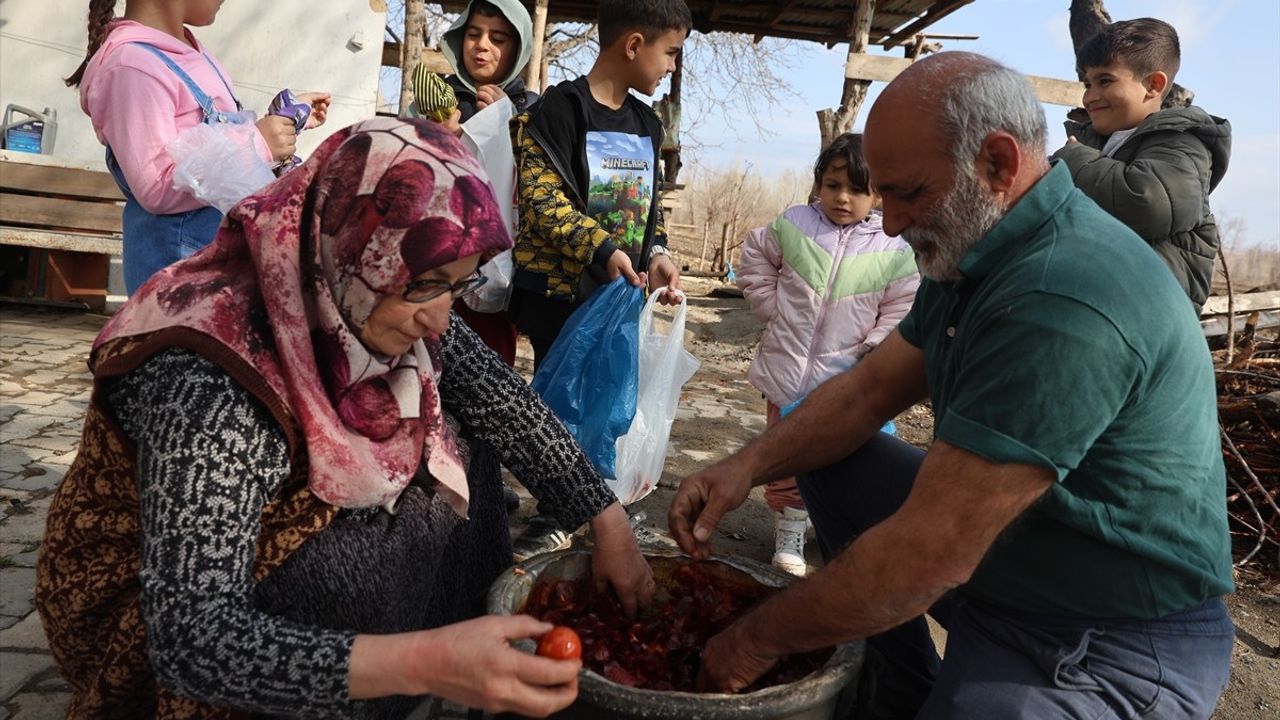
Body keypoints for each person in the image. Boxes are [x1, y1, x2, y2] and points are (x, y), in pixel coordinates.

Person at [669, 52, 1234, 719]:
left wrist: (751, 641)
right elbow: (864, 393)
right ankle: (896, 686)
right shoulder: (980, 249)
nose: (891, 223)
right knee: (826, 447)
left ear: (997, 164)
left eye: (907, 193)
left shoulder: (1063, 295)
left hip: (1106, 634)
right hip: (1014, 560)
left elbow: (929, 552)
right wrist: (747, 465)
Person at [35, 118, 655, 720]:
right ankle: (397, 670)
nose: (441, 318)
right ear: (351, 244)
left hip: (275, 575)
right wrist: (426, 663)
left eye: (457, 286)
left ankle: (430, 650)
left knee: (461, 436)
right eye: (426, 287)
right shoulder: (210, 369)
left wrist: (606, 522)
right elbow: (194, 637)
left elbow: (505, 404)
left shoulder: (375, 288)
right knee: (358, 561)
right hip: (150, 624)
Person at [506, 0, 691, 558]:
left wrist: (655, 253)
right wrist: (605, 248)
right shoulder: (558, 111)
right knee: (561, 404)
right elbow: (542, 201)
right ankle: (557, 513)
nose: (673, 67)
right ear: (634, 45)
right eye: (671, 52)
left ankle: (590, 503)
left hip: (621, 295)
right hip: (560, 296)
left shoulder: (647, 125)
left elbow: (650, 211)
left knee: (608, 408)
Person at [736, 133, 918, 576]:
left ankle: (842, 531)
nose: (843, 197)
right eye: (833, 185)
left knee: (848, 461)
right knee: (785, 463)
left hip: (846, 381)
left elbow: (902, 304)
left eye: (858, 189)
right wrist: (771, 305)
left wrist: (876, 350)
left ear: (877, 193)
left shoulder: (893, 246)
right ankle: (790, 532)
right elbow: (755, 257)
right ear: (818, 183)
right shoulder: (795, 224)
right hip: (787, 373)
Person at [67, 0, 331, 293]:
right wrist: (258, 143)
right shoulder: (130, 66)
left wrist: (282, 124)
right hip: (178, 282)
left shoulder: (193, 53)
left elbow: (215, 144)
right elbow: (156, 186)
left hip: (216, 267)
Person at [1052, 17, 1230, 314]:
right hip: (1097, 306)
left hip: (1149, 316)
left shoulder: (1181, 142)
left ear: (1153, 84)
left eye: (1105, 80)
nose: (1089, 96)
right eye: (1087, 83)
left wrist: (1073, 158)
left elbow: (1150, 202)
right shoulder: (1097, 147)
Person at [409, 0, 540, 369]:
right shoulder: (435, 100)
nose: (482, 45)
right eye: (473, 34)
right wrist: (437, 139)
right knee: (421, 368)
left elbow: (540, 184)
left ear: (518, 49)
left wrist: (509, 125)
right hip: (429, 267)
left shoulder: (530, 109)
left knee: (489, 374)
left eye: (498, 38)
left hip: (493, 274)